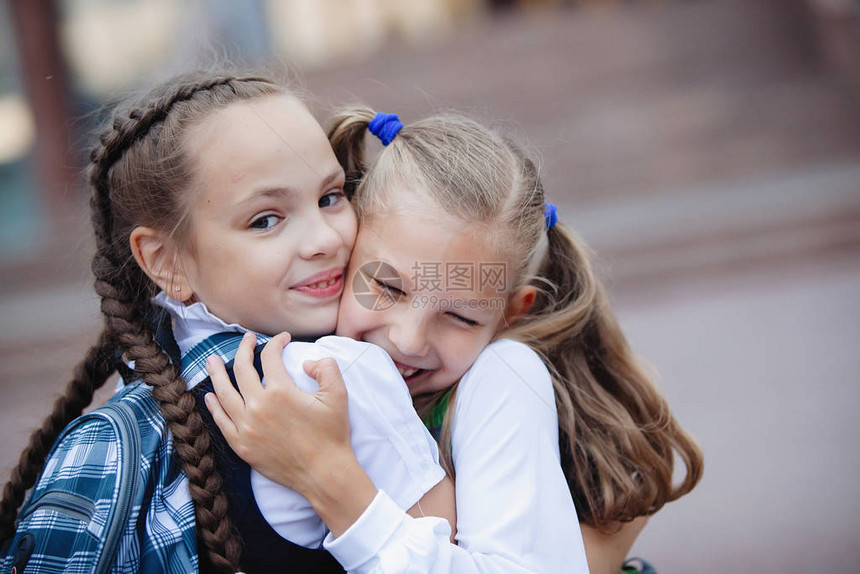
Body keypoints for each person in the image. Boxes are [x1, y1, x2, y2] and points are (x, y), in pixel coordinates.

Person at [206, 108, 704, 573]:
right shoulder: (309, 361)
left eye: (460, 317)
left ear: (511, 314)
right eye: (387, 287)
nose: (408, 339)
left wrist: (329, 478)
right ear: (347, 248)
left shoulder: (503, 379)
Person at [0, 72, 454, 574]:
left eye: (331, 196)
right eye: (266, 219)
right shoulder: (341, 374)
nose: (325, 238)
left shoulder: (118, 424)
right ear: (165, 261)